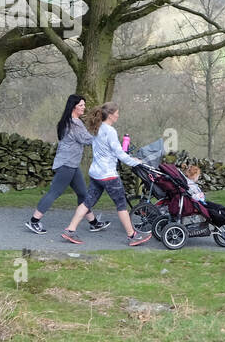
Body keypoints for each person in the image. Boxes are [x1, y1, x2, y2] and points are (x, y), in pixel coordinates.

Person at [61, 101, 150, 246]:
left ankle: (70, 230)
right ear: (110, 115)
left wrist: (128, 157)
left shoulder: (98, 128)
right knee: (121, 204)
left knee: (87, 202)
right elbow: (119, 153)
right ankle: (132, 235)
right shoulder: (110, 131)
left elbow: (112, 151)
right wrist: (136, 162)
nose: (118, 115)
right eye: (116, 113)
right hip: (108, 175)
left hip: (96, 174)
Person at [26, 94, 110, 235]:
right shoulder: (73, 124)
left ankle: (94, 223)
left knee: (83, 194)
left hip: (71, 164)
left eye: (84, 105)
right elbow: (87, 140)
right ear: (74, 106)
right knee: (54, 193)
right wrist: (104, 135)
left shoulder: (72, 122)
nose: (84, 107)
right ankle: (33, 221)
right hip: (66, 165)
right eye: (81, 105)